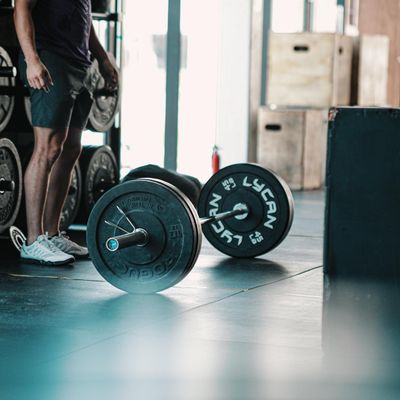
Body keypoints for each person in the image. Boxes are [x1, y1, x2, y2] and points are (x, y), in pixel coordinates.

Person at [14, 0, 118, 265]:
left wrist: (103, 59)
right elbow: (21, 9)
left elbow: (86, 21)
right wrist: (32, 60)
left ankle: (52, 233)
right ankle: (34, 240)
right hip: (50, 58)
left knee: (71, 148)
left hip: (81, 63)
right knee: (47, 149)